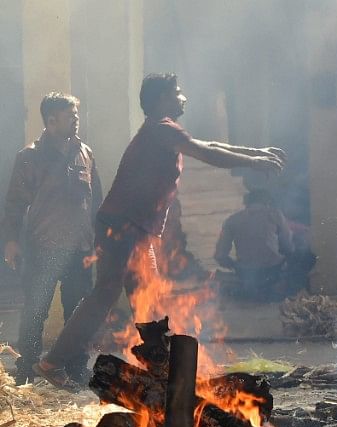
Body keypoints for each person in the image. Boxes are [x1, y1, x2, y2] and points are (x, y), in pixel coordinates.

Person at [34, 73, 284, 388]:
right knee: (114, 295)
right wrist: (254, 162)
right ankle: (55, 361)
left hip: (130, 226)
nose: (184, 97)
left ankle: (153, 367)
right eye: (177, 92)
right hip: (124, 226)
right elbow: (204, 152)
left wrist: (255, 154)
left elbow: (208, 144)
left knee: (143, 297)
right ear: (162, 98)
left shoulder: (162, 130)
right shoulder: (160, 128)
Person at [1, 93, 101, 384]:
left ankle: (75, 368)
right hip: (43, 248)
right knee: (35, 310)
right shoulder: (30, 157)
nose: (76, 120)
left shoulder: (86, 153)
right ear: (51, 120)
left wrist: (99, 241)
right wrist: (10, 241)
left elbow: (97, 201)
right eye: (71, 116)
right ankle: (28, 369)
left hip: (80, 248)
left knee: (79, 312)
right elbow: (14, 206)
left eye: (77, 114)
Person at [214, 187, 293, 300]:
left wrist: (235, 266)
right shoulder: (275, 214)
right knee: (304, 255)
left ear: (247, 203)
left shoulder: (232, 220)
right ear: (267, 202)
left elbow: (220, 256)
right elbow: (288, 247)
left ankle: (249, 288)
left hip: (245, 272)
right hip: (272, 270)